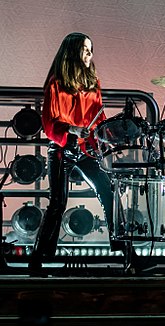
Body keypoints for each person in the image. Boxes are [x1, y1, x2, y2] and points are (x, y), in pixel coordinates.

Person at [29, 32, 138, 275]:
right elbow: (49, 123)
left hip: (86, 149)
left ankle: (128, 254)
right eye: (85, 49)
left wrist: (111, 137)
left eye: (91, 49)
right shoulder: (56, 83)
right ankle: (38, 258)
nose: (90, 54)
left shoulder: (92, 82)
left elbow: (99, 119)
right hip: (62, 148)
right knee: (57, 202)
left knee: (109, 193)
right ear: (72, 52)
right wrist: (71, 128)